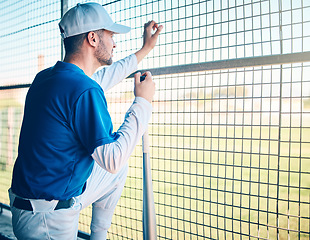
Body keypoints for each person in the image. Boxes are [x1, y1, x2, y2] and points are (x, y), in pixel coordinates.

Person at [9, 2, 163, 239]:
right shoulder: (83, 89)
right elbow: (112, 158)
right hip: (48, 224)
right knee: (116, 164)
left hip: (28, 209)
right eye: (110, 35)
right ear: (93, 38)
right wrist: (143, 102)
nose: (114, 42)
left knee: (117, 172)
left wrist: (145, 49)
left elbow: (104, 77)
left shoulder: (46, 78)